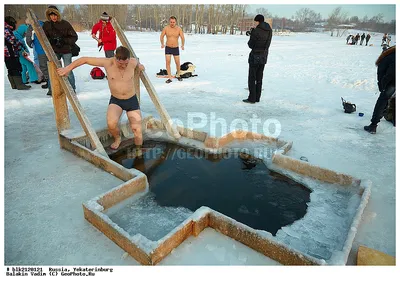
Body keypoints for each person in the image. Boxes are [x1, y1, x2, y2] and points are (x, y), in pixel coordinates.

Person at [57, 46, 145, 152]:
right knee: (111, 124)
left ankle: (139, 151)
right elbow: (84, 59)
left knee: (137, 129)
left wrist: (140, 66)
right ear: (115, 58)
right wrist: (67, 68)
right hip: (116, 100)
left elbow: (138, 64)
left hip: (131, 100)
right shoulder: (107, 63)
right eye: (120, 64)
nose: (123, 66)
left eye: (126, 64)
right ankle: (117, 138)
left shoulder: (133, 62)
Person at [43, 5, 78, 95]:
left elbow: (74, 37)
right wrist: (52, 41)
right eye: (51, 15)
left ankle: (72, 89)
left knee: (68, 70)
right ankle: (52, 89)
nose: (53, 17)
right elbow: (44, 39)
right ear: (49, 16)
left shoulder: (65, 24)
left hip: (66, 50)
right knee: (53, 70)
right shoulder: (46, 25)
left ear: (58, 15)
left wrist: (63, 40)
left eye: (55, 15)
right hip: (54, 51)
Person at [364, 46, 395, 134]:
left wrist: (383, 85)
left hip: (391, 83)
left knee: (381, 102)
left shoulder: (390, 57)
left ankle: (373, 126)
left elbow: (390, 73)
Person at [243, 14, 272, 104]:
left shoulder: (256, 31)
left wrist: (252, 34)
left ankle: (252, 98)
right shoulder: (269, 30)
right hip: (264, 56)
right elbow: (265, 41)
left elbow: (250, 45)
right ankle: (257, 98)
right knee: (259, 78)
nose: (254, 23)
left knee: (252, 77)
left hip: (255, 56)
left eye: (255, 21)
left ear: (257, 21)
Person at [5, 16, 30, 90]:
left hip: (6, 54)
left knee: (11, 68)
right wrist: (20, 45)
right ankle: (20, 85)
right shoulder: (6, 29)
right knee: (16, 68)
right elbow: (13, 41)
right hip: (10, 53)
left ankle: (14, 85)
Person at [160, 16, 185, 83]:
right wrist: (162, 44)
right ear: (169, 22)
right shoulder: (166, 28)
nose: (172, 23)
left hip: (175, 48)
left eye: (173, 22)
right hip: (168, 47)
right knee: (168, 62)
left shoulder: (179, 29)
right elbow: (161, 36)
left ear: (175, 22)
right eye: (171, 22)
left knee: (177, 62)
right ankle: (170, 77)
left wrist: (182, 45)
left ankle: (178, 75)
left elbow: (182, 37)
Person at [26, 19, 49, 89]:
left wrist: (30, 44)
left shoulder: (32, 25)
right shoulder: (44, 23)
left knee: (40, 63)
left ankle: (42, 78)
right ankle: (50, 81)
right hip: (49, 47)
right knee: (49, 63)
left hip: (39, 47)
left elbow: (28, 37)